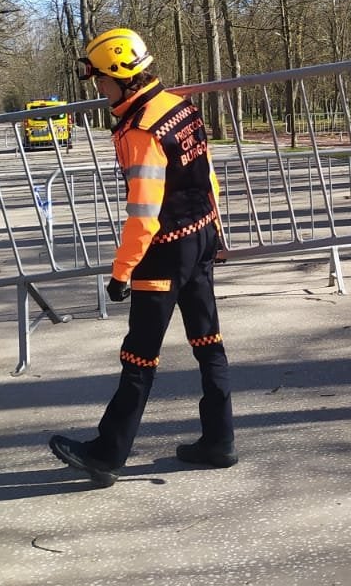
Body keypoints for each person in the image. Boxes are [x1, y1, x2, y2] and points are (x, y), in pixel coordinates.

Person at [48, 26, 236, 486]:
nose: (98, 88)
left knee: (139, 357)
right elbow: (208, 179)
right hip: (200, 240)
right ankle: (219, 440)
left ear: (121, 76)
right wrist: (217, 231)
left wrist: (121, 271)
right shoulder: (180, 107)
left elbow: (144, 214)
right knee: (208, 344)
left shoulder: (141, 132)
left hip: (162, 253)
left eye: (101, 80)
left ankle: (108, 453)